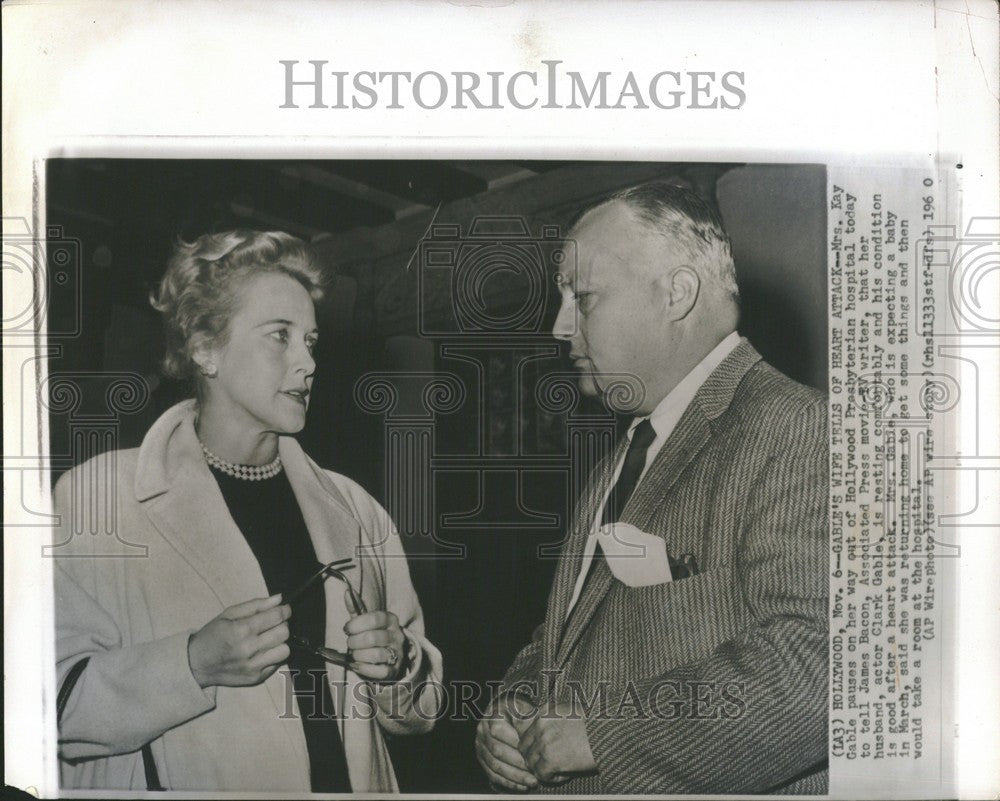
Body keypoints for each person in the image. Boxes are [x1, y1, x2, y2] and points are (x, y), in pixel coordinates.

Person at [53, 230, 443, 792]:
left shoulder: (357, 509)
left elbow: (424, 706)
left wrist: (400, 664)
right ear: (205, 347)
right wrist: (191, 664)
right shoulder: (98, 500)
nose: (307, 362)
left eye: (310, 340)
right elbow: (50, 705)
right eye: (279, 337)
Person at [475, 183, 828, 794]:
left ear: (677, 293)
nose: (560, 328)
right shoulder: (630, 451)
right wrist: (514, 708)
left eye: (582, 298)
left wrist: (602, 733)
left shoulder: (800, 429)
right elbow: (573, 632)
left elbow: (818, 667)